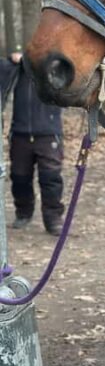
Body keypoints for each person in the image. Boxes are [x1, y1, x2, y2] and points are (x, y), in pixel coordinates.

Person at [0, 50, 64, 236]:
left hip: (49, 134)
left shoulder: (56, 71)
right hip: (20, 133)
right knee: (20, 178)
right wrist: (14, 58)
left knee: (51, 179)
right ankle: (23, 213)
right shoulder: (19, 70)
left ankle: (53, 219)